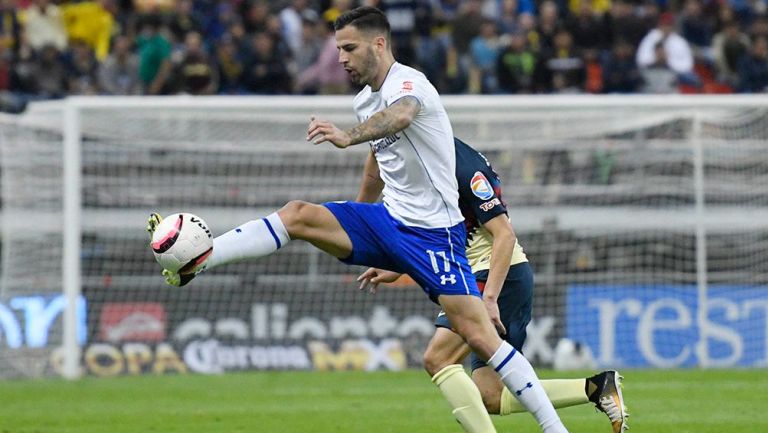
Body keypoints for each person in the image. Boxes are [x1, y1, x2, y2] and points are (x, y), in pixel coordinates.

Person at [148, 7, 569, 433]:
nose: (342, 58)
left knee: (480, 338)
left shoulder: (410, 83)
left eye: (349, 48)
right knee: (298, 215)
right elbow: (376, 164)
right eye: (338, 49)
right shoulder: (365, 99)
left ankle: (555, 429)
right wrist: (360, 219)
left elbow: (402, 115)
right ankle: (201, 258)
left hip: (435, 236)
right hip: (387, 221)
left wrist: (347, 135)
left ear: (379, 44)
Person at [357, 137, 629, 433]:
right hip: (474, 275)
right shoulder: (423, 160)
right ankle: (595, 388)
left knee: (438, 358)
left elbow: (505, 234)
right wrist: (398, 266)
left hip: (497, 275)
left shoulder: (465, 168)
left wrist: (489, 299)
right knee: (490, 396)